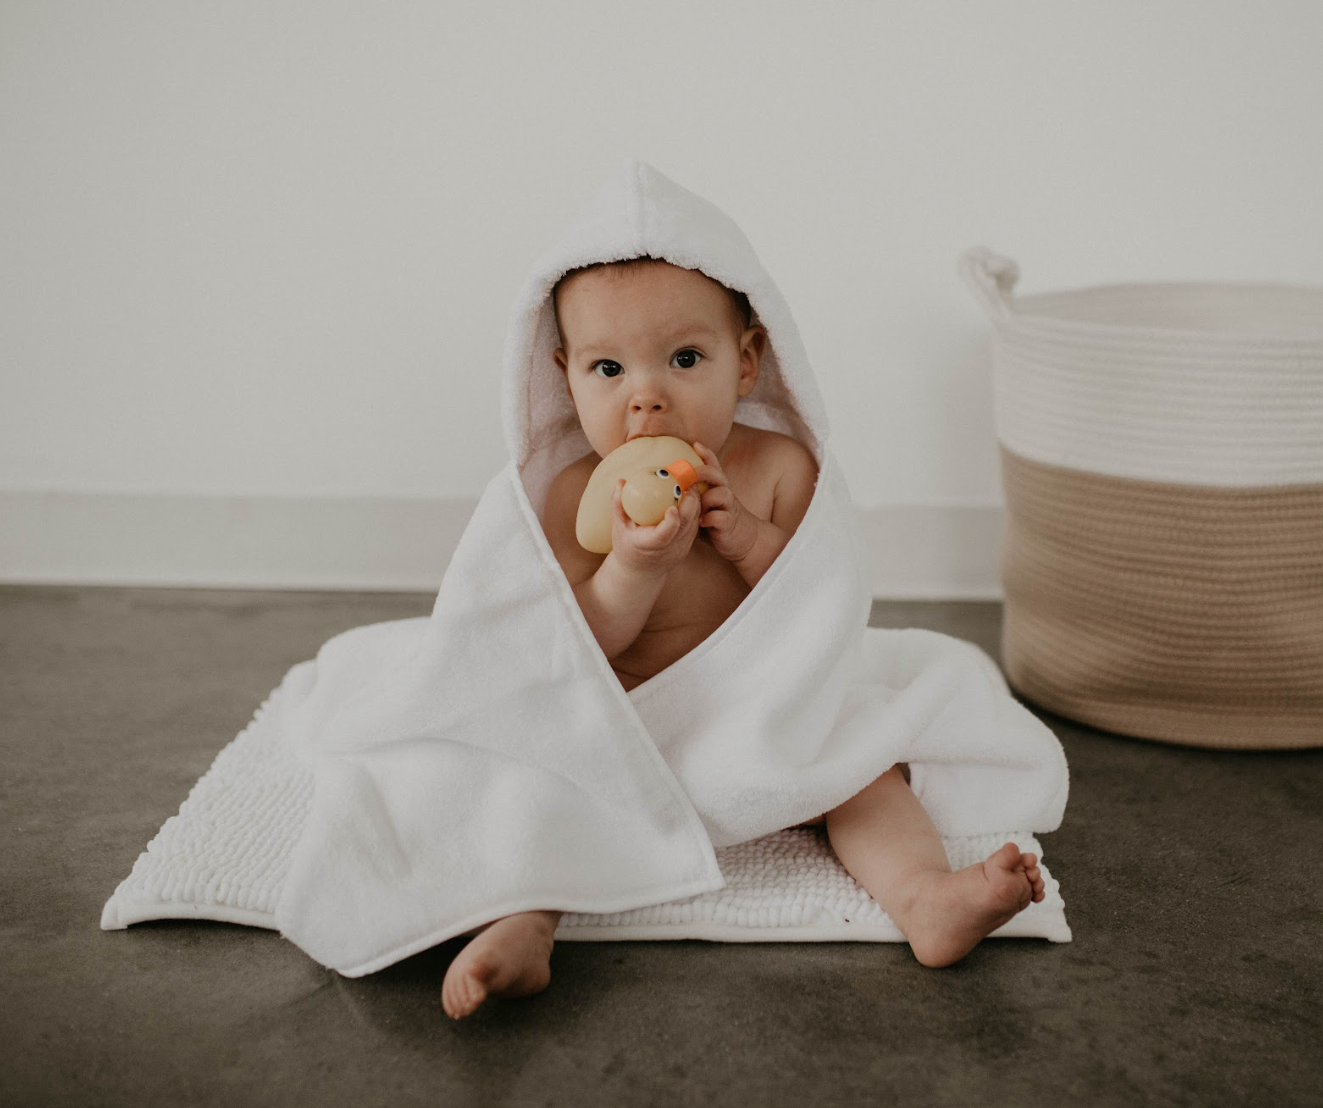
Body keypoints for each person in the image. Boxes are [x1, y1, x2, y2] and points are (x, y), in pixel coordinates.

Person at [441, 256, 1046, 1018]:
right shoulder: (570, 497)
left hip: (760, 712)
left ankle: (924, 897)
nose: (646, 399)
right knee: (541, 777)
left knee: (862, 770)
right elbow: (573, 644)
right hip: (633, 722)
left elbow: (819, 612)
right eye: (608, 368)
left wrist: (751, 541)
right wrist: (630, 566)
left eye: (685, 359)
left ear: (748, 363)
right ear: (566, 378)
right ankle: (526, 920)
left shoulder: (779, 471)